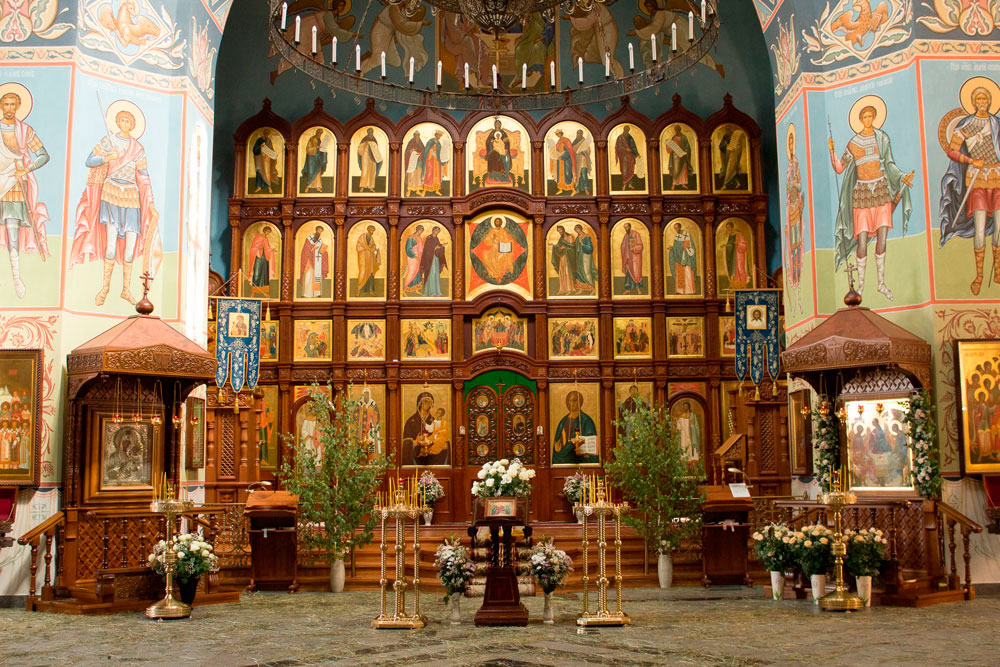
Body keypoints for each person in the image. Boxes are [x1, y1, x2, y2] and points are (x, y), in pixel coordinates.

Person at [70, 104, 160, 306]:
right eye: (122, 120)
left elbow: (144, 176)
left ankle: (126, 289)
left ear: (133, 124)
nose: (125, 124)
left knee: (130, 247)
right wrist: (107, 157)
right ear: (117, 122)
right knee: (110, 246)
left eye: (129, 121)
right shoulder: (108, 141)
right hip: (110, 193)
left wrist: (151, 203)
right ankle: (105, 287)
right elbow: (89, 161)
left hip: (132, 196)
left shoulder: (138, 149)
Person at [830, 102, 913, 300]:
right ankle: (860, 285)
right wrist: (832, 151)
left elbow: (889, 163)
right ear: (860, 120)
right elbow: (840, 168)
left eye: (870, 116)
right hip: (862, 194)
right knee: (862, 240)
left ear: (874, 117)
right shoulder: (854, 143)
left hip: (881, 191)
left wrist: (902, 176)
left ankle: (881, 284)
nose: (868, 120)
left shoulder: (882, 138)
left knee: (882, 238)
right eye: (864, 117)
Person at [940, 84, 1000, 295]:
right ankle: (979, 275)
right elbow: (952, 151)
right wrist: (971, 160)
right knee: (980, 228)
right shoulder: (966, 125)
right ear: (974, 103)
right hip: (977, 179)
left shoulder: (996, 124)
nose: (983, 102)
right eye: (979, 99)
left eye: (986, 99)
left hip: (997, 177)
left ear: (990, 101)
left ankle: (998, 268)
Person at [0, 88, 50, 299]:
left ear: (19, 107)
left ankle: (16, 277)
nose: (9, 108)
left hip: (14, 183)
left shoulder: (25, 131)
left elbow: (43, 155)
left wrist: (25, 170)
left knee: (13, 232)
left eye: (13, 104)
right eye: (6, 104)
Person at [785, 126, 804, 312]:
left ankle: (798, 283)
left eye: (792, 143)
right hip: (790, 213)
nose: (791, 147)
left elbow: (798, 189)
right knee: (792, 247)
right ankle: (795, 283)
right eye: (789, 143)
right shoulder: (789, 169)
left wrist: (796, 187)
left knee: (797, 244)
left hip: (797, 211)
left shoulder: (797, 167)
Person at [552, 390, 599, 465]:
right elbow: (557, 442)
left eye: (574, 401)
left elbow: (592, 446)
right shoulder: (563, 421)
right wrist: (557, 450)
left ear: (580, 402)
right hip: (561, 461)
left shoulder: (586, 420)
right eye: (569, 401)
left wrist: (583, 451)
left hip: (580, 460)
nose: (571, 403)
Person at [402, 392, 449, 466]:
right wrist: (415, 441)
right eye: (425, 401)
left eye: (429, 402)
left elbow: (439, 434)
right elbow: (405, 443)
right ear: (419, 403)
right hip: (416, 456)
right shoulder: (411, 421)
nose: (427, 404)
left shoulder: (434, 420)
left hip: (432, 457)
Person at [668, 221, 698, 295]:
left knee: (688, 273)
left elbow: (691, 246)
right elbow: (676, 247)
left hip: (686, 257)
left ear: (680, 227)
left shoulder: (687, 235)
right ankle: (680, 291)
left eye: (677, 228)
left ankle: (690, 290)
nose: (676, 230)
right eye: (675, 228)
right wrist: (672, 249)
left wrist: (687, 249)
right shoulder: (676, 236)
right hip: (678, 258)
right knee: (679, 274)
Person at [299, 225, 329, 298]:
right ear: (316, 230)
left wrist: (324, 251)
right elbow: (305, 250)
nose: (320, 232)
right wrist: (313, 248)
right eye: (319, 231)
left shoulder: (320, 240)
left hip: (317, 261)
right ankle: (307, 294)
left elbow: (321, 249)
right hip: (309, 262)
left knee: (317, 277)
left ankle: (316, 293)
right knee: (308, 277)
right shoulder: (309, 238)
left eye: (321, 231)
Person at [417, 225, 447, 296]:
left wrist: (441, 246)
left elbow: (437, 247)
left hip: (435, 259)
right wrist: (436, 247)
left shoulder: (436, 238)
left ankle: (437, 292)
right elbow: (427, 249)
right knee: (431, 274)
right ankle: (431, 292)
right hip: (430, 260)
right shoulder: (429, 238)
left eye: (438, 231)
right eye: (436, 230)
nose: (437, 232)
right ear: (433, 230)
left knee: (436, 274)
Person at [663, 125, 694, 190]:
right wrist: (668, 144)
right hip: (675, 157)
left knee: (683, 170)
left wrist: (685, 152)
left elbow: (687, 146)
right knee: (675, 170)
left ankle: (683, 183)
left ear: (679, 130)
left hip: (683, 156)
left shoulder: (684, 137)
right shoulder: (674, 137)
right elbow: (670, 147)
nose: (676, 131)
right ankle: (674, 184)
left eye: (677, 129)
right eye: (675, 130)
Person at [550, 224, 578, 296]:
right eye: (558, 231)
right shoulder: (561, 239)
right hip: (562, 257)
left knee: (567, 272)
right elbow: (558, 246)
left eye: (560, 231)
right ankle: (562, 289)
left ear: (563, 230)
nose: (560, 232)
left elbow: (572, 248)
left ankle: (570, 289)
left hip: (569, 259)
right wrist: (554, 245)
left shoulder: (570, 237)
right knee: (562, 272)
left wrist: (565, 248)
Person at [248, 226, 276, 298]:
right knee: (257, 273)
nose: (267, 233)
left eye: (269, 232)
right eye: (267, 231)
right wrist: (258, 247)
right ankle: (253, 292)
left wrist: (271, 250)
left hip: (264, 257)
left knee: (265, 274)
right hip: (257, 257)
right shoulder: (258, 237)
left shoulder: (266, 239)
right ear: (264, 231)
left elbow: (267, 248)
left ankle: (265, 291)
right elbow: (253, 247)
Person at [355, 224, 381, 296]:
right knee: (362, 272)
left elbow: (373, 246)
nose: (372, 232)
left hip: (370, 258)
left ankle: (371, 291)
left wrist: (376, 248)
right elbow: (358, 247)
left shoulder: (371, 238)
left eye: (373, 231)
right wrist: (368, 249)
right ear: (368, 230)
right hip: (363, 257)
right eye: (371, 230)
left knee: (371, 273)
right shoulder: (362, 237)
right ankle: (358, 290)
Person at [619, 221, 644, 294]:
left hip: (635, 257)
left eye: (626, 227)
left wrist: (634, 248)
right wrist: (624, 247)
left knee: (636, 273)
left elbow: (640, 246)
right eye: (625, 228)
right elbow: (623, 245)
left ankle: (638, 288)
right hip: (627, 257)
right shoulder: (626, 236)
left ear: (630, 227)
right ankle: (628, 289)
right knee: (628, 273)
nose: (626, 229)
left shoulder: (636, 234)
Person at [299, 128, 327, 193]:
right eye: (319, 133)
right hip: (311, 158)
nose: (320, 135)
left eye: (321, 134)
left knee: (318, 172)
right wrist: (315, 147)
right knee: (311, 172)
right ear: (316, 133)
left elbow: (320, 148)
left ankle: (318, 187)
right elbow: (308, 149)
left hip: (318, 158)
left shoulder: (319, 140)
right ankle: (308, 187)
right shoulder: (311, 139)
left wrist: (323, 150)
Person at [724, 221, 749, 290]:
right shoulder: (730, 235)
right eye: (727, 228)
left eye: (729, 227)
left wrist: (738, 243)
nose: (728, 229)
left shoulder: (739, 234)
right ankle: (735, 285)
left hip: (739, 254)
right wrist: (726, 246)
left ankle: (743, 285)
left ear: (732, 226)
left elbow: (744, 244)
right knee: (734, 270)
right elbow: (730, 244)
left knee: (740, 268)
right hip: (733, 254)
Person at [356, 128, 383, 193]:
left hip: (373, 157)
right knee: (365, 171)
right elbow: (360, 150)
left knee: (372, 172)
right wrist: (365, 145)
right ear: (368, 132)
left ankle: (371, 186)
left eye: (372, 132)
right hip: (365, 156)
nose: (371, 133)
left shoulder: (374, 139)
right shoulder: (364, 139)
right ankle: (362, 186)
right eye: (370, 132)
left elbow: (376, 150)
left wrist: (378, 156)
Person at [615, 125, 641, 190]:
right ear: (624, 130)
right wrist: (625, 149)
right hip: (623, 156)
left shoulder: (630, 137)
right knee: (624, 170)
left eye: (627, 130)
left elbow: (633, 147)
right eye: (625, 130)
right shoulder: (620, 138)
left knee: (631, 169)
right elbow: (618, 147)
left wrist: (637, 154)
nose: (626, 131)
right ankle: (624, 184)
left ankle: (629, 184)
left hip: (630, 156)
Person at [420, 130, 446, 195]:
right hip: (430, 160)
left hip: (437, 161)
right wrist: (431, 151)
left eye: (440, 136)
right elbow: (426, 150)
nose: (439, 137)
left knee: (437, 174)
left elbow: (439, 152)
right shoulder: (430, 141)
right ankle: (424, 190)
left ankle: (437, 190)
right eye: (439, 135)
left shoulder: (439, 143)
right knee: (429, 174)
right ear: (436, 135)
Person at [574, 223, 597, 293]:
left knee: (587, 271)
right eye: (575, 230)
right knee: (579, 271)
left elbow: (590, 248)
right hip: (579, 256)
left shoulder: (586, 237)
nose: (576, 231)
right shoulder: (577, 237)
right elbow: (575, 247)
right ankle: (581, 288)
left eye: (577, 229)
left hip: (585, 256)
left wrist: (582, 244)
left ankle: (592, 288)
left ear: (580, 229)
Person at [551, 129, 576, 195]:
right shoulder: (559, 141)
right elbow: (556, 150)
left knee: (567, 174)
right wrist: (555, 153)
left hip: (566, 161)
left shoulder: (566, 140)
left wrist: (562, 157)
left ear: (561, 133)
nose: (557, 135)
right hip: (560, 162)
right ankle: (560, 189)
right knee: (559, 175)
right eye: (556, 134)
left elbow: (569, 151)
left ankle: (573, 189)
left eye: (558, 134)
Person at [252, 129, 277, 193]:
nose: (266, 134)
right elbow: (254, 150)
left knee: (267, 172)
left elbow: (271, 149)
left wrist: (273, 154)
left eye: (267, 133)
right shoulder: (259, 140)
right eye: (265, 133)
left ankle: (269, 187)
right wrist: (260, 146)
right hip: (260, 158)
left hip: (267, 159)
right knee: (259, 171)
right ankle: (259, 187)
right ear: (263, 133)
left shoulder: (269, 140)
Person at [403, 225, 425, 295]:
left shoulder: (419, 238)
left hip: (419, 256)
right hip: (412, 257)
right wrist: (414, 255)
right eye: (420, 230)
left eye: (422, 231)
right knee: (412, 272)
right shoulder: (411, 237)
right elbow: (408, 248)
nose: (421, 232)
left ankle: (416, 289)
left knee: (417, 272)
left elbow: (421, 247)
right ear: (417, 229)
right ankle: (405, 289)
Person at [403, 130, 425, 196]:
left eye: (418, 135)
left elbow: (424, 151)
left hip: (419, 162)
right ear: (414, 136)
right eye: (416, 135)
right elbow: (406, 152)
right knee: (411, 175)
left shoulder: (421, 143)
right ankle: (409, 190)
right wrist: (410, 151)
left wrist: (420, 153)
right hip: (412, 162)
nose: (417, 137)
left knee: (418, 175)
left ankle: (418, 190)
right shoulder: (411, 142)